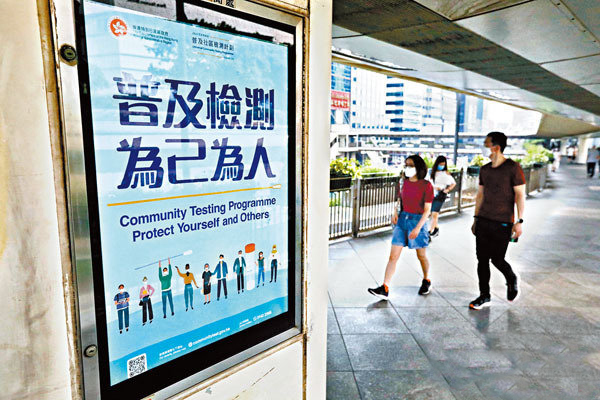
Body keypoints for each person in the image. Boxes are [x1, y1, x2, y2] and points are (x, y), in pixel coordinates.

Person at [469, 132, 526, 310]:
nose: (483, 147)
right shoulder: (485, 169)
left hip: (503, 222)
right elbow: (480, 195)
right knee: (482, 260)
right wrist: (475, 219)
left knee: (497, 259)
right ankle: (484, 295)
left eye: (486, 144)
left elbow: (520, 195)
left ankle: (511, 278)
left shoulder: (513, 168)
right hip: (483, 220)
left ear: (496, 147)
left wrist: (519, 221)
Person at [368, 154, 434, 300]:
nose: (407, 168)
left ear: (418, 167)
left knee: (421, 255)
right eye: (406, 165)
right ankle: (385, 287)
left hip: (417, 221)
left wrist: (418, 228)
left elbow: (427, 210)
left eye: (411, 165)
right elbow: (399, 199)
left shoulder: (426, 185)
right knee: (393, 256)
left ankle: (426, 279)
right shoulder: (403, 182)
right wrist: (395, 212)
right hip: (402, 220)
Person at [428, 156, 456, 238]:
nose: (442, 166)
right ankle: (436, 228)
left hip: (441, 195)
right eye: (440, 164)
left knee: (434, 214)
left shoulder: (446, 173)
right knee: (433, 213)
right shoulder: (431, 172)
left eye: (443, 164)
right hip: (432, 194)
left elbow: (453, 183)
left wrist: (447, 189)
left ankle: (429, 231)